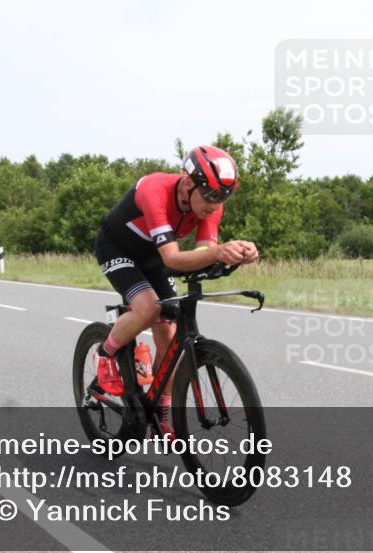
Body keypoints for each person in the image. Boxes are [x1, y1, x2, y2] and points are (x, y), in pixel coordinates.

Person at [94, 145, 258, 439]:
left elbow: (203, 253)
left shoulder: (211, 205)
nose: (214, 204)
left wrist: (234, 254)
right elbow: (172, 259)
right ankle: (106, 354)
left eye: (222, 198)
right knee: (148, 309)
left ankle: (162, 410)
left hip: (152, 256)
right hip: (117, 249)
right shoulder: (155, 189)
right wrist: (219, 252)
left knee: (169, 336)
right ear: (187, 182)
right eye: (209, 195)